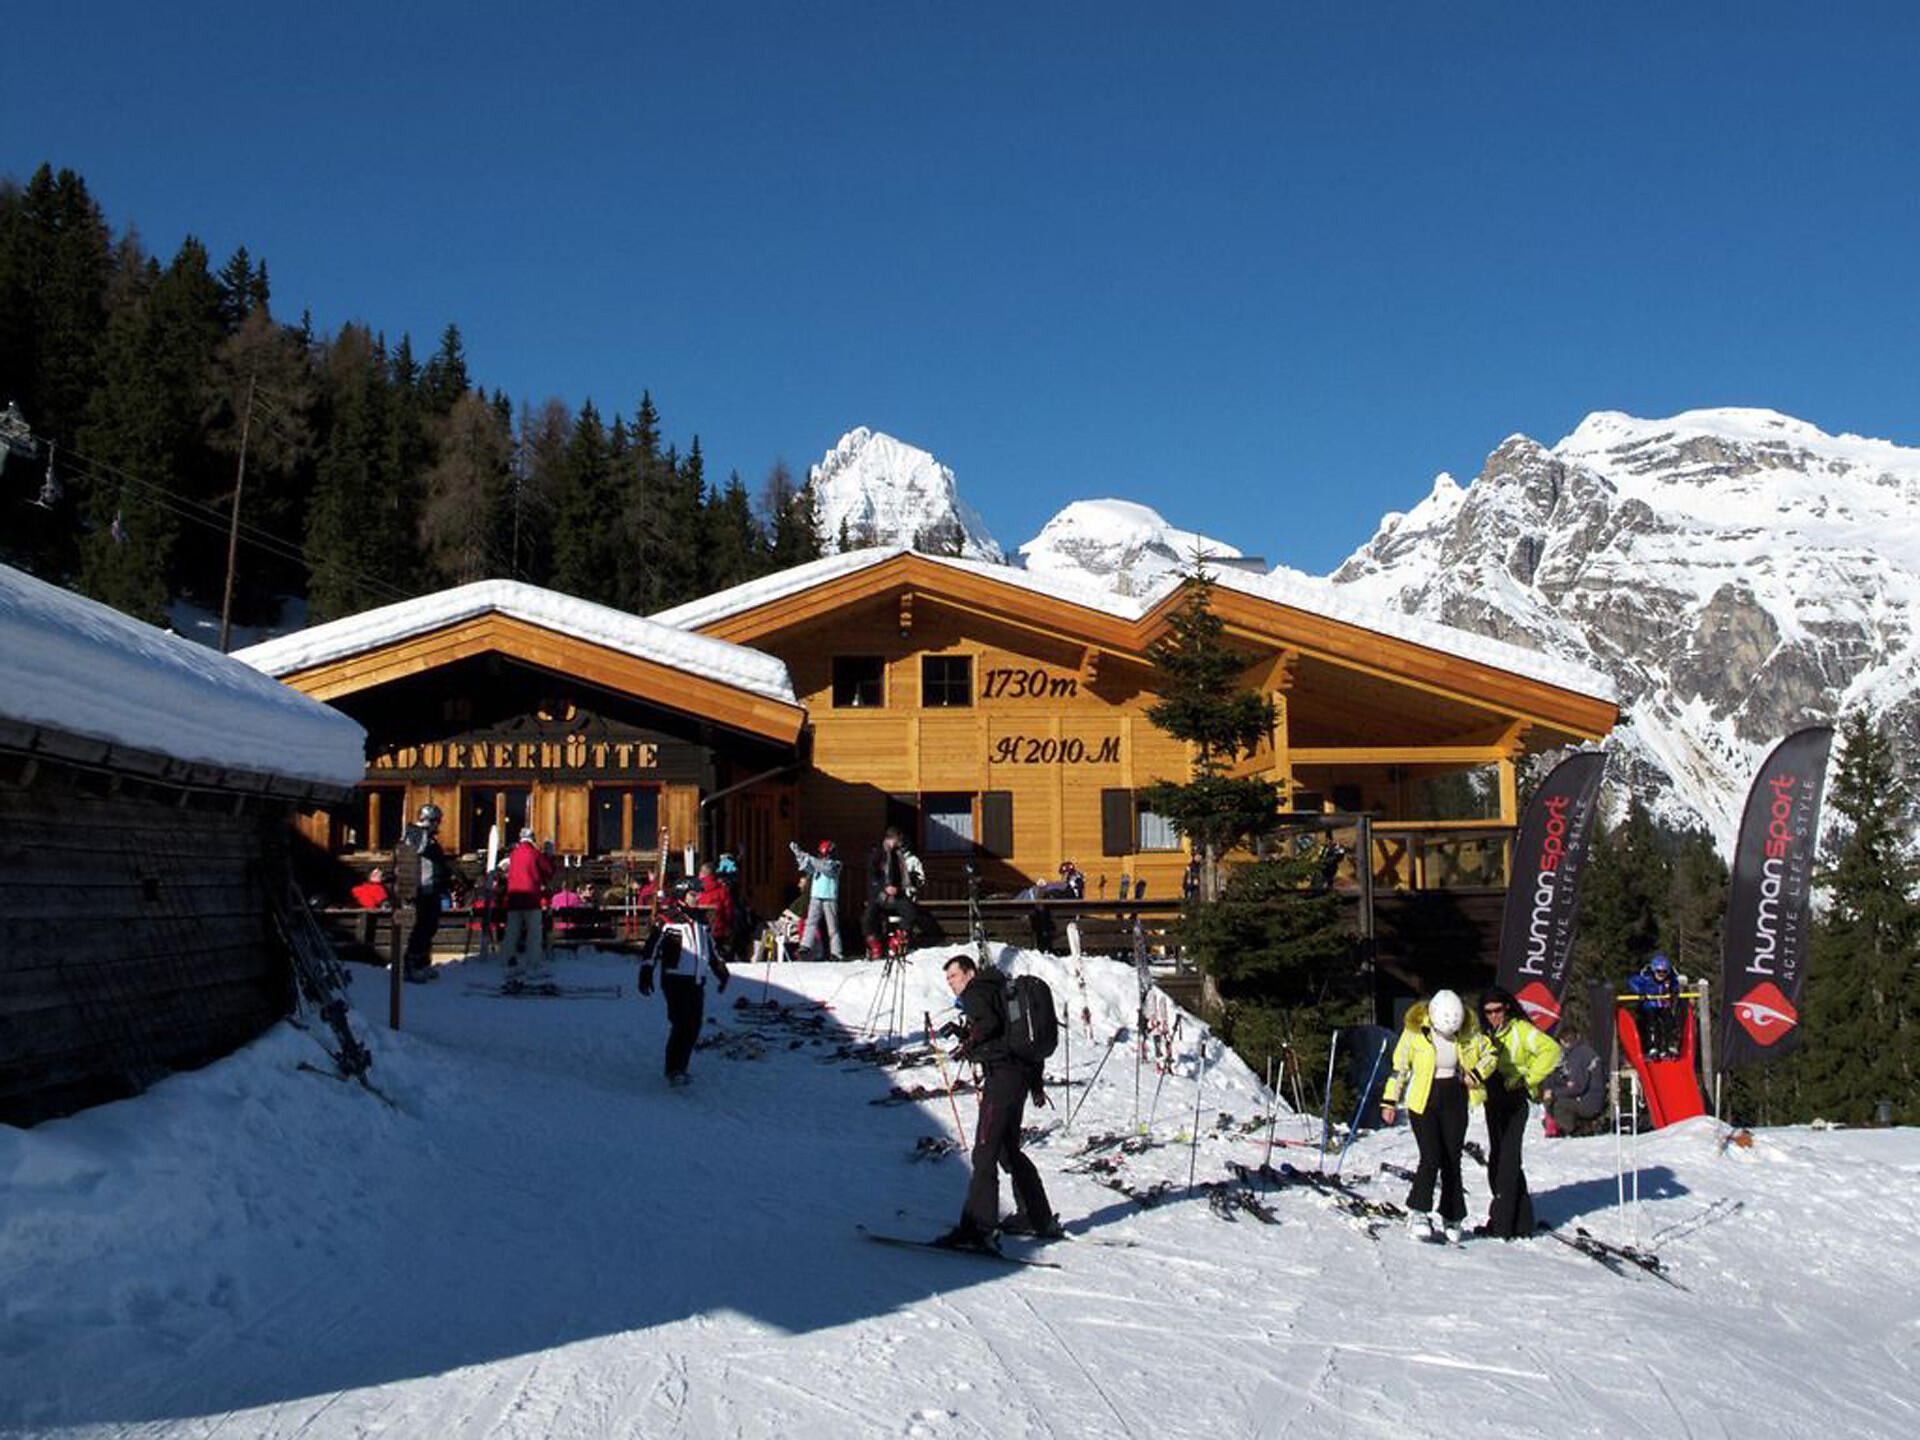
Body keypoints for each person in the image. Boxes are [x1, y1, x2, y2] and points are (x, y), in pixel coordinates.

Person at [933, 954, 1058, 1251]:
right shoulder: (1002, 989)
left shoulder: (975, 992)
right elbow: (1011, 1034)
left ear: (970, 973)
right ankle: (1036, 1217)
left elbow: (988, 1024)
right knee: (1007, 1149)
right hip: (1019, 1077)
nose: (951, 983)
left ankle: (978, 1229)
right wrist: (1036, 1084)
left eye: (954, 976)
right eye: (948, 979)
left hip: (1001, 1078)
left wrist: (969, 1043)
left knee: (985, 1150)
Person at [1380, 990, 1495, 1244]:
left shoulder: (1468, 1031)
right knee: (1431, 1156)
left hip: (1454, 1095)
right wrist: (1390, 1101)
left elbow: (1491, 1054)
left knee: (1452, 1157)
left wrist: (1476, 1074)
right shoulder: (1414, 1033)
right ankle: (1418, 1211)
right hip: (1424, 1100)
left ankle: (1452, 1215)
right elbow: (1399, 1069)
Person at [1476, 986, 1561, 1240]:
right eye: (1488, 1012)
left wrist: (1527, 1078)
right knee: (1500, 1158)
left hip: (1515, 1099)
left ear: (1507, 1008)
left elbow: (1551, 1050)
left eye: (1498, 1010)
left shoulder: (1520, 1030)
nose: (1494, 1016)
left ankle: (1501, 1224)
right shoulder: (1485, 1034)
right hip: (1493, 1099)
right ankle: (1522, 1221)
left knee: (1507, 1162)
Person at [637, 881, 731, 1086]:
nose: (698, 898)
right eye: (693, 894)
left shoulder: (701, 920)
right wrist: (646, 970)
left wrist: (721, 971)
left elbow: (711, 949)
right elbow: (652, 946)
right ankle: (673, 1069)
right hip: (675, 979)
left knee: (694, 1026)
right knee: (681, 1024)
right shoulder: (668, 918)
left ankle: (682, 1067)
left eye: (699, 894)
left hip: (696, 980)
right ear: (682, 894)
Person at [399, 804, 450, 983]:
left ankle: (422, 963)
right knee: (421, 928)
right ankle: (411, 965)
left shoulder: (430, 838)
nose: (438, 825)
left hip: (432, 889)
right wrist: (425, 832)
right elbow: (417, 850)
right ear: (430, 820)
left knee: (430, 927)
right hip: (421, 889)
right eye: (437, 821)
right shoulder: (415, 834)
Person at [501, 828, 556, 985]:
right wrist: (549, 856)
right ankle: (534, 964)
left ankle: (509, 961)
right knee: (534, 933)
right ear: (533, 839)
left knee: (512, 931)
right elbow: (549, 871)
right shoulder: (534, 854)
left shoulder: (513, 854)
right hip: (531, 898)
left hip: (514, 898)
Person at [864, 827, 926, 958]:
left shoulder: (897, 855)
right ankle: (875, 944)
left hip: (896, 894)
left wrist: (900, 887)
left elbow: (901, 877)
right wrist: (884, 887)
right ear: (890, 839)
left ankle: (898, 939)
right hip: (879, 895)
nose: (899, 843)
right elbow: (873, 875)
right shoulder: (878, 854)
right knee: (868, 917)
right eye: (897, 840)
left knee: (910, 911)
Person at [1541, 1035, 1607, 1137]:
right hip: (1589, 1098)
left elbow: (1577, 1087)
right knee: (1552, 1094)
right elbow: (1566, 1078)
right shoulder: (1576, 1053)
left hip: (1590, 1101)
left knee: (1559, 1105)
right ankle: (1560, 1125)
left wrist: (1554, 1093)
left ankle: (1576, 1129)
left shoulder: (1580, 1055)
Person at [789, 839, 844, 959]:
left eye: (826, 854)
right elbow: (807, 868)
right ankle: (805, 946)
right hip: (816, 896)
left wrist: (809, 858)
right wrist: (799, 855)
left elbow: (826, 869)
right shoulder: (817, 863)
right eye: (823, 854)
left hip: (829, 897)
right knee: (810, 923)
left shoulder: (836, 864)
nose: (824, 857)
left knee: (832, 927)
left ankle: (836, 952)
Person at [1627, 952, 1682, 1059]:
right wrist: (1641, 992)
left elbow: (1675, 984)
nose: (1661, 975)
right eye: (1659, 972)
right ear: (1653, 970)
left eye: (1664, 972)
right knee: (1652, 1024)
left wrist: (1673, 991)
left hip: (1664, 1004)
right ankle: (1652, 1047)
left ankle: (1668, 1047)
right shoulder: (1646, 977)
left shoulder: (1670, 978)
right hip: (1650, 1005)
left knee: (1669, 1023)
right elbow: (1632, 981)